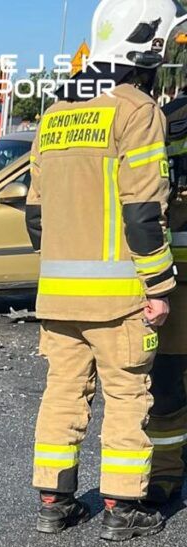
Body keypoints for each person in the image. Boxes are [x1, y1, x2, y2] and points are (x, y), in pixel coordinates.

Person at [25, 0, 184, 541]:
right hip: (119, 300)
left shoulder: (56, 114)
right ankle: (122, 508)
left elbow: (35, 216)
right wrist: (160, 287)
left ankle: (54, 500)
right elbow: (144, 212)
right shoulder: (138, 112)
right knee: (127, 397)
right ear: (151, 48)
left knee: (62, 394)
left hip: (58, 297)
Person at [148, 90, 187, 505]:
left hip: (174, 278)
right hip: (177, 280)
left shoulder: (164, 117)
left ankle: (164, 477)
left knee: (169, 383)